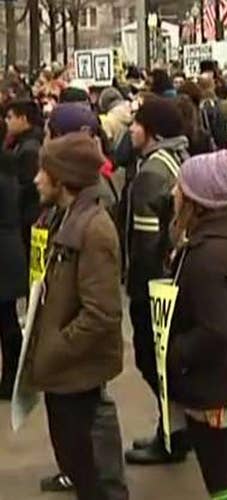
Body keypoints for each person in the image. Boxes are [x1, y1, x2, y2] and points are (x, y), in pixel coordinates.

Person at [24, 132, 125, 500]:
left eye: (44, 171)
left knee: (96, 475)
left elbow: (102, 314)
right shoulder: (59, 218)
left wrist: (54, 346)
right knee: (79, 466)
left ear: (63, 179)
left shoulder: (94, 229)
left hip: (77, 373)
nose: (36, 179)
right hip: (64, 375)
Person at [167, 150, 227, 500]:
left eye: (180, 188)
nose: (174, 194)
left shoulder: (207, 254)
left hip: (214, 384)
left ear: (196, 199)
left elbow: (215, 329)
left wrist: (173, 353)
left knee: (219, 475)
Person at [124, 95, 192, 465]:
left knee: (150, 359)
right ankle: (175, 429)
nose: (130, 129)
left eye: (137, 124)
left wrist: (140, 290)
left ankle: (173, 435)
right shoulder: (175, 159)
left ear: (151, 131)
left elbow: (146, 241)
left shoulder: (152, 172)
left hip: (154, 285)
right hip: (174, 278)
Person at [0, 131, 27, 400]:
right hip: (9, 250)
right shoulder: (9, 165)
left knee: (7, 322)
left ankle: (11, 379)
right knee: (7, 318)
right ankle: (12, 377)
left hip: (4, 254)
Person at [4, 99, 44, 254]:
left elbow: (26, 186)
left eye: (10, 117)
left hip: (28, 217)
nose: (7, 122)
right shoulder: (21, 143)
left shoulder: (29, 150)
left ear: (23, 119)